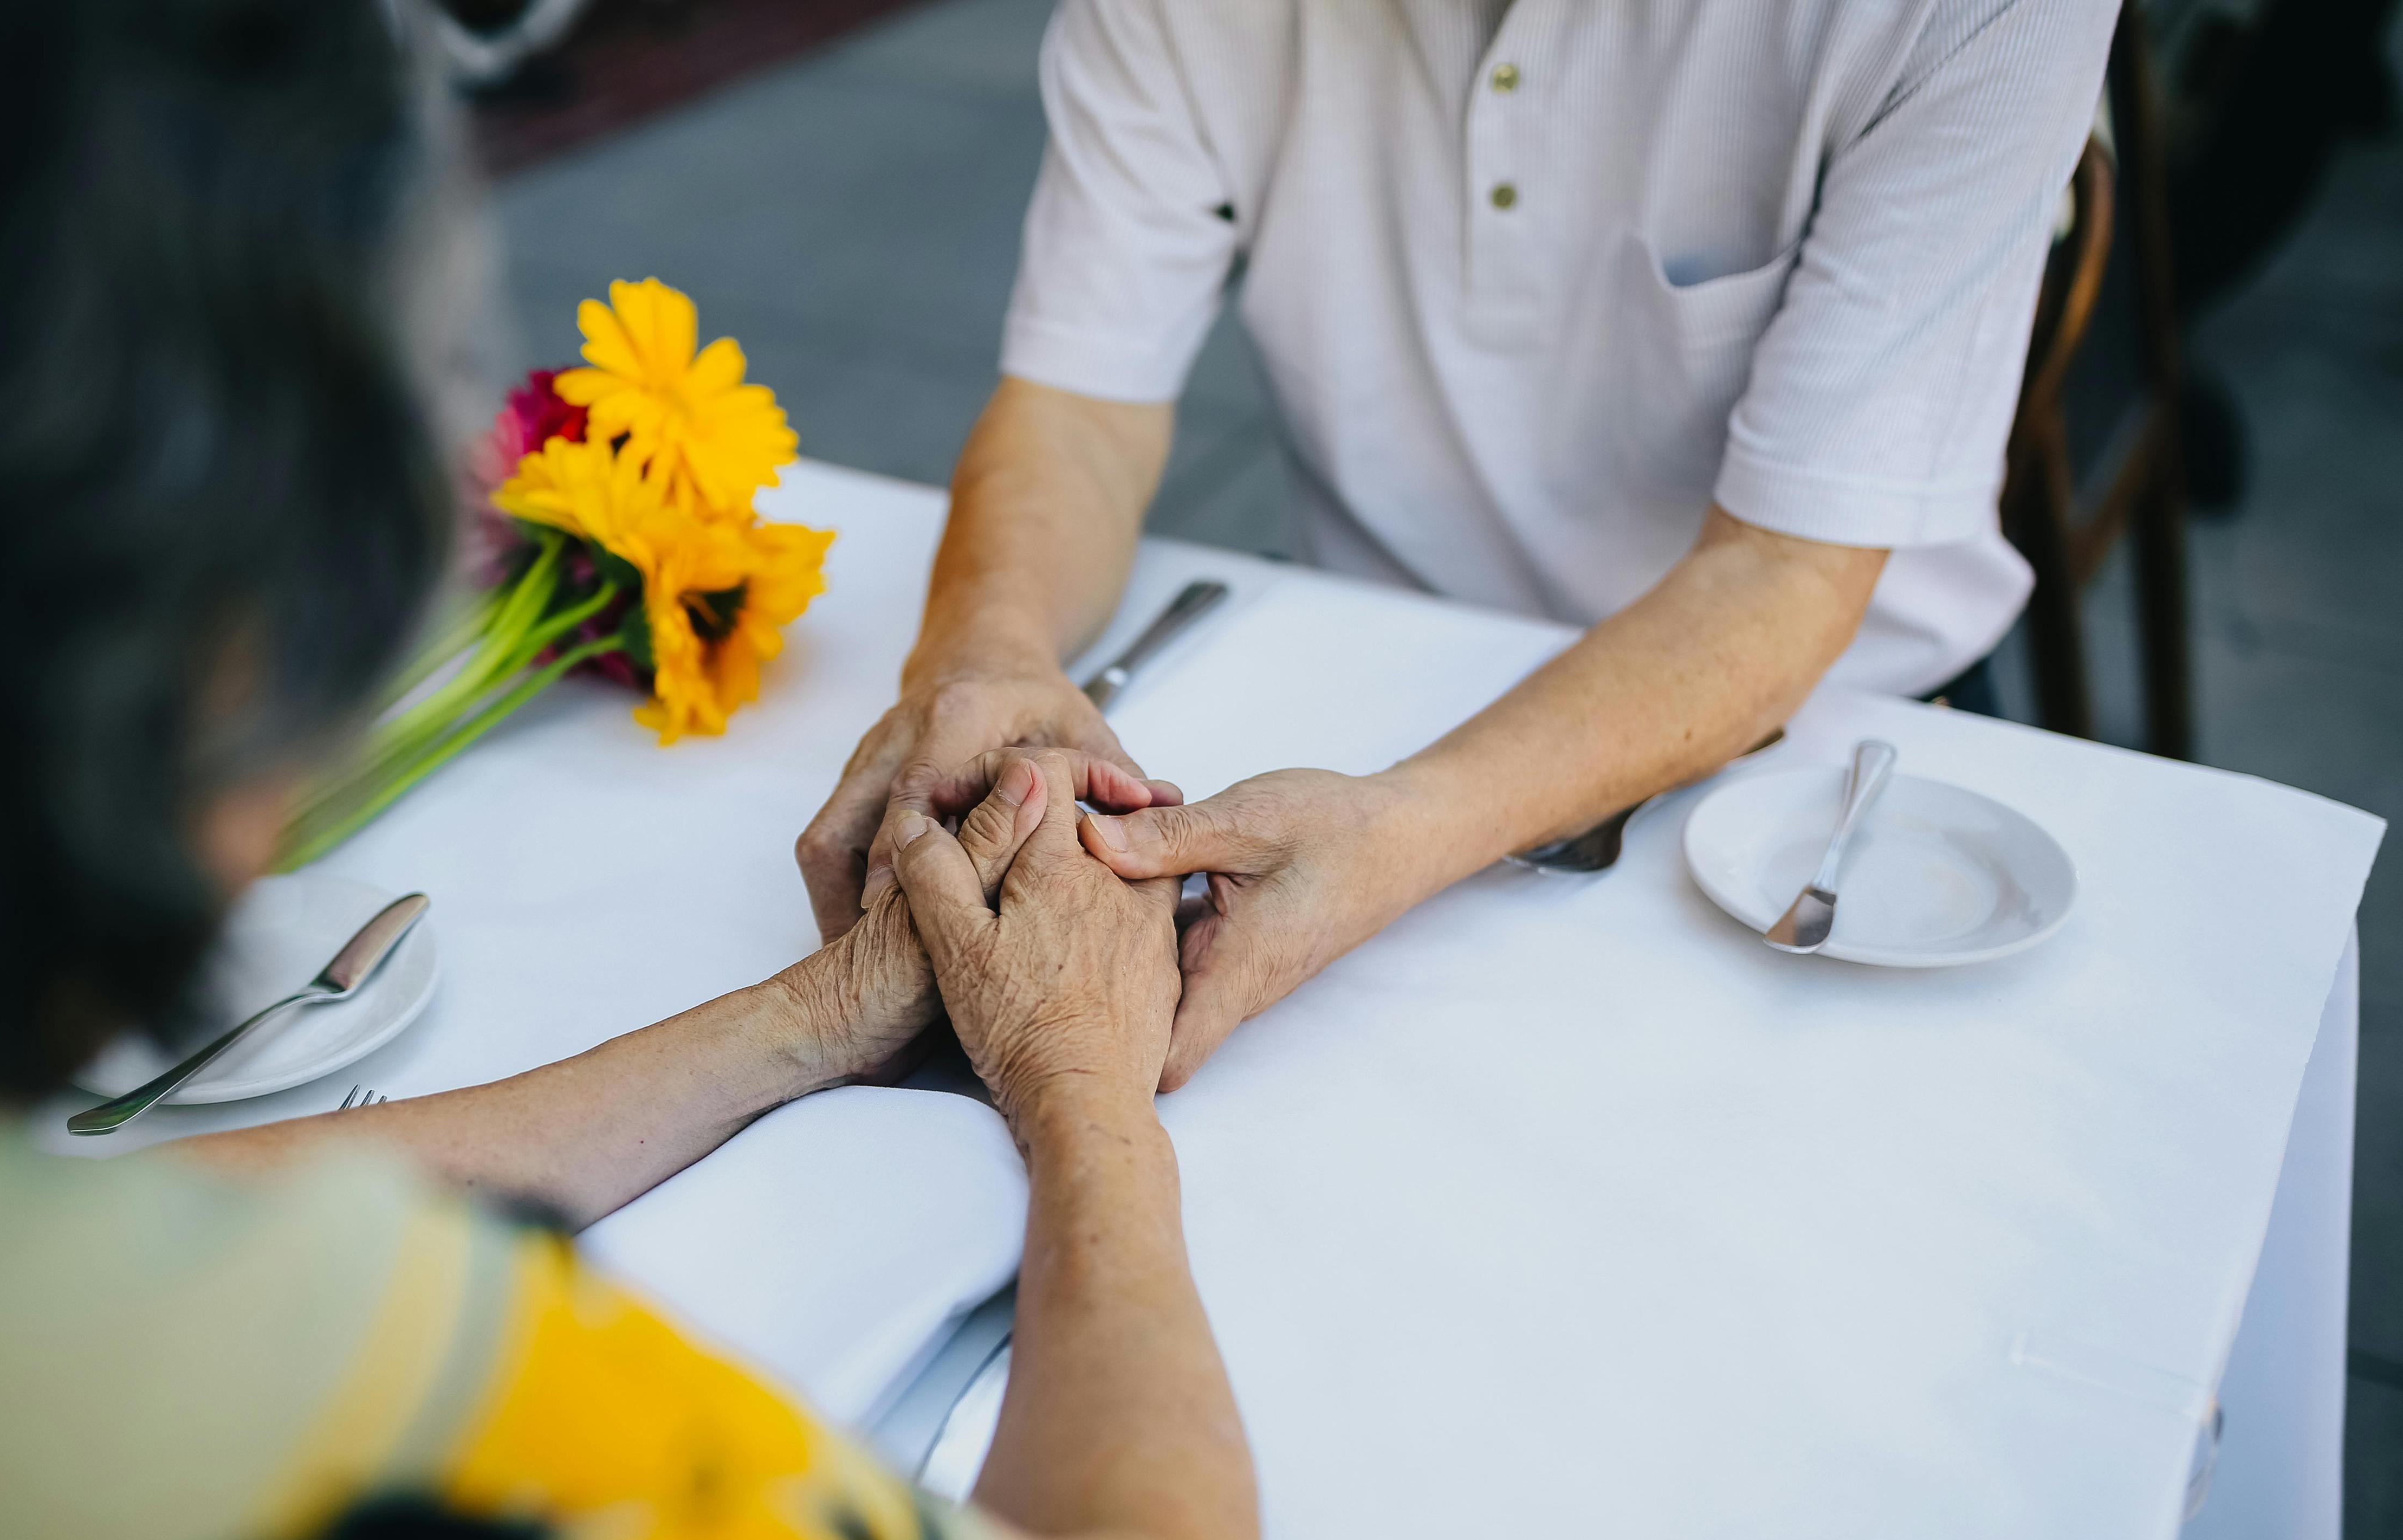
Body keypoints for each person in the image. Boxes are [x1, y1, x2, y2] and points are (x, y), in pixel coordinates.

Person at [0, 5, 1261, 1540]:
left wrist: (797, 1025)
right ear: (226, 628)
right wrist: (1080, 1094)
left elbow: (68, 1225)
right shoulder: (334, 1453)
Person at [798, 0, 2120, 1089]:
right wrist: (985, 647)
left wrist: (1398, 831)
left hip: (1821, 762)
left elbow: (1782, 572)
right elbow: (1080, 405)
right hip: (1367, 665)